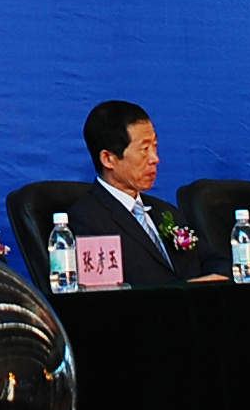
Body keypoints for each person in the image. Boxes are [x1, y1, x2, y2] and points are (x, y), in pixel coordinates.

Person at [76, 100, 213, 285]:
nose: (155, 158)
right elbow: (105, 293)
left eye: (155, 146)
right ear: (108, 159)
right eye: (144, 149)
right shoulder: (87, 221)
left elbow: (213, 261)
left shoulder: (165, 212)